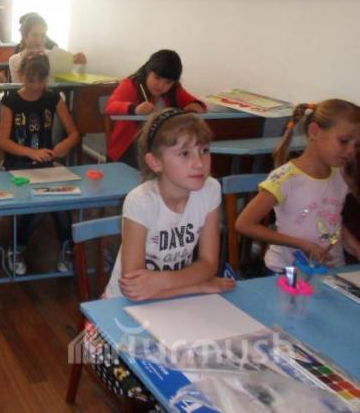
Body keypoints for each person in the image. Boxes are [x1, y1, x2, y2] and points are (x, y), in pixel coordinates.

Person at [92, 108, 235, 407]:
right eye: (184, 153)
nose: (199, 163)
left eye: (204, 150)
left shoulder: (210, 189)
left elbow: (210, 264)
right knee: (160, 385)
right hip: (120, 311)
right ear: (155, 162)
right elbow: (134, 289)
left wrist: (165, 282)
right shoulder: (141, 201)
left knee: (221, 369)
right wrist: (198, 284)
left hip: (175, 303)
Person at [236, 100, 360, 273]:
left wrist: (355, 247)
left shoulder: (340, 174)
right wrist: (302, 244)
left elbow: (330, 220)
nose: (351, 151)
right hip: (287, 272)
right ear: (314, 132)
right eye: (344, 141)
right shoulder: (285, 178)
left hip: (330, 271)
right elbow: (244, 224)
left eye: (357, 145)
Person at [0, 53, 80, 275]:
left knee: (61, 199)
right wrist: (32, 152)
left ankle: (66, 247)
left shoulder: (53, 99)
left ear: (46, 78)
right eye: (30, 80)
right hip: (17, 165)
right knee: (42, 201)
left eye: (41, 81)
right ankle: (17, 247)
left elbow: (74, 133)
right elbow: (3, 141)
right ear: (20, 75)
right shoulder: (10, 101)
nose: (35, 86)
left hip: (45, 166)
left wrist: (63, 146)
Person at [105, 49, 205, 167]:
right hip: (128, 150)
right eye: (157, 78)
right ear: (148, 71)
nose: (161, 85)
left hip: (161, 147)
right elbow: (110, 106)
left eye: (168, 82)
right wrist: (135, 109)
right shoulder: (131, 85)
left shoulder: (174, 90)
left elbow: (197, 103)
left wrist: (196, 105)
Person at [8, 14, 87, 81]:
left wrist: (76, 62)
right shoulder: (15, 59)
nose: (39, 40)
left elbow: (69, 78)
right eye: (35, 35)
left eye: (43, 35)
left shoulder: (54, 55)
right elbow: (18, 87)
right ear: (25, 36)